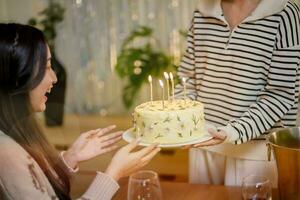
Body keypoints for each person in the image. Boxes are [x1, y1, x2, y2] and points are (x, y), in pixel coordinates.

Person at [0, 23, 161, 200]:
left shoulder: (12, 136)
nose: (54, 78)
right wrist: (114, 174)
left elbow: (44, 192)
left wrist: (70, 159)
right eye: (46, 68)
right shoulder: (7, 154)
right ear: (17, 77)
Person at [176, 0, 300, 187]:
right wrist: (177, 119)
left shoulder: (284, 13)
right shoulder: (202, 12)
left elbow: (280, 94)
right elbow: (188, 80)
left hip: (255, 155)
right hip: (203, 147)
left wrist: (232, 132)